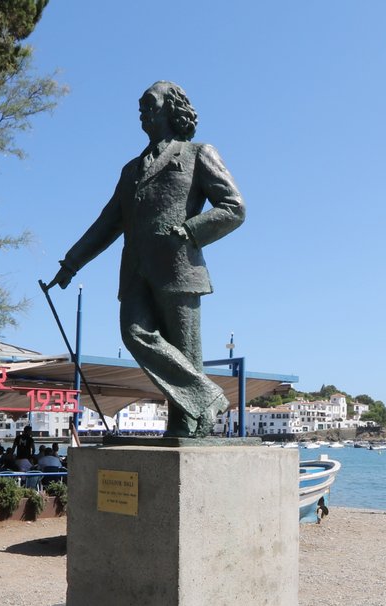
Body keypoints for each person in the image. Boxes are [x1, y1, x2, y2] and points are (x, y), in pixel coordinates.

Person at [48, 81, 245, 438]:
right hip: (136, 271)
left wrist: (192, 229)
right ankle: (208, 397)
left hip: (179, 265)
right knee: (134, 332)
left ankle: (185, 428)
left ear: (172, 109)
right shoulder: (130, 170)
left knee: (185, 350)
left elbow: (234, 207)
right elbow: (108, 223)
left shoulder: (198, 153)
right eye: (139, 106)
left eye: (149, 104)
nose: (142, 111)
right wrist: (71, 263)